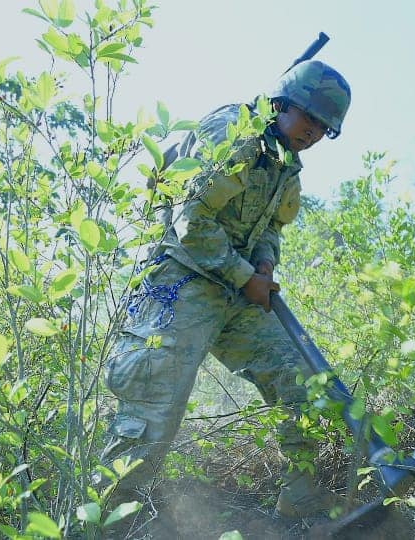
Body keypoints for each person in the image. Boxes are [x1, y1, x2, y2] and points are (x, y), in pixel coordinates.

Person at [100, 59, 351, 520]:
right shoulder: (232, 132)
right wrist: (245, 277)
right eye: (309, 118)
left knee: (302, 381)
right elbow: (189, 219)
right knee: (154, 411)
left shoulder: (285, 165)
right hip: (180, 282)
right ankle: (108, 519)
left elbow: (272, 226)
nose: (314, 132)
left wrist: (265, 263)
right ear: (282, 104)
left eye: (324, 128)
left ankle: (299, 498)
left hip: (237, 293)